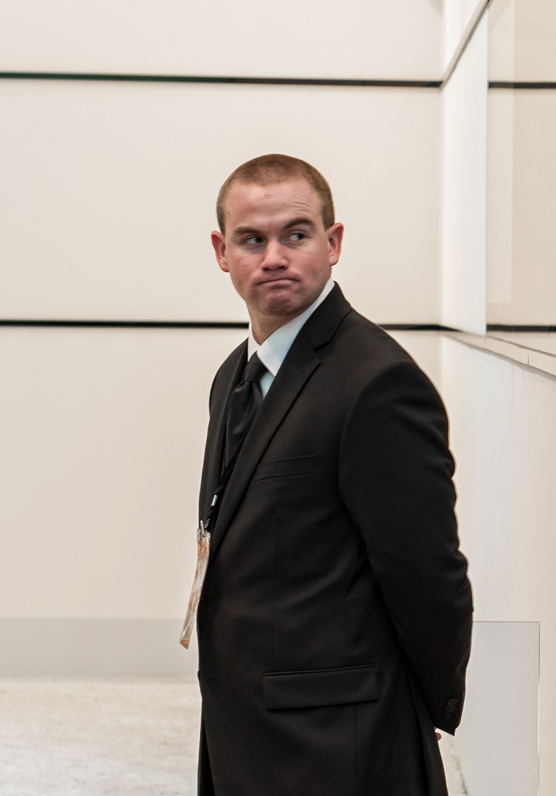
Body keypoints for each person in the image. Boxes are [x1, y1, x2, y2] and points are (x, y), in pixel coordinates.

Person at [193, 154, 473, 796]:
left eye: (296, 234)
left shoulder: (378, 383)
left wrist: (423, 705)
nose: (274, 257)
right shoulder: (233, 375)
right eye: (251, 240)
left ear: (333, 242)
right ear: (221, 252)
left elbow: (429, 576)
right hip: (247, 728)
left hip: (339, 742)